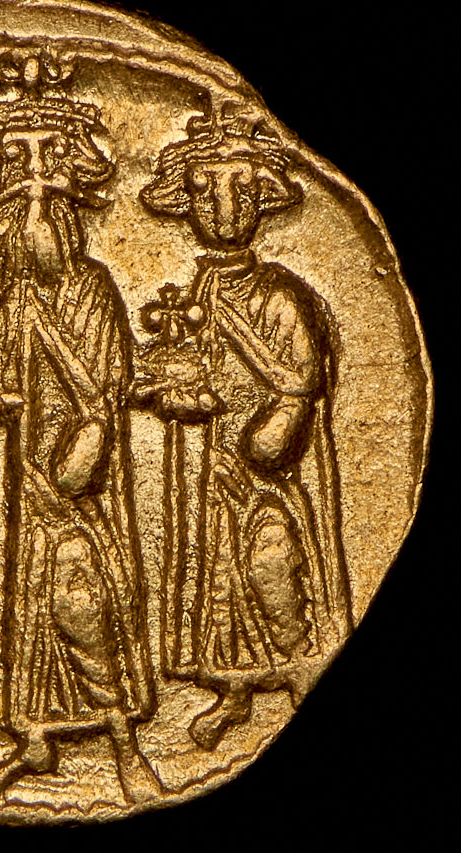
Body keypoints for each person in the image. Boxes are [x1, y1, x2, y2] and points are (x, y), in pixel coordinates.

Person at [0, 54, 160, 804]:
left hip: (76, 482)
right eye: (18, 208)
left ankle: (124, 739)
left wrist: (81, 452)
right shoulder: (12, 298)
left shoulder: (93, 288)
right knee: (26, 602)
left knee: (82, 596)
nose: (32, 224)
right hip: (23, 479)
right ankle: (35, 741)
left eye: (47, 206)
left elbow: (103, 387)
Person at [137, 103, 352, 749]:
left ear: (261, 199)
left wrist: (276, 428)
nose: (222, 208)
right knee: (217, 571)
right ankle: (235, 688)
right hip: (209, 461)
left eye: (239, 189)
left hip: (263, 464)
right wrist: (167, 388)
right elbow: (176, 363)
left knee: (271, 556)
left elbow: (301, 376)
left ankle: (303, 661)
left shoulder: (279, 293)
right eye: (205, 191)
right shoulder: (190, 297)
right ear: (186, 203)